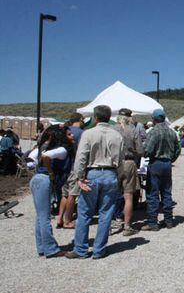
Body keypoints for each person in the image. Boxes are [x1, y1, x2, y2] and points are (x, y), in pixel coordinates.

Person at [66, 105, 124, 259]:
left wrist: (79, 176)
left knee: (84, 213)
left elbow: (81, 157)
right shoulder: (117, 135)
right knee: (106, 213)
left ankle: (81, 249)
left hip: (92, 173)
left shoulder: (88, 133)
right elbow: (120, 159)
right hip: (110, 173)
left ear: (95, 117)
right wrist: (118, 177)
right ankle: (99, 250)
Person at [28, 125, 69, 258]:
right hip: (45, 179)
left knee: (40, 215)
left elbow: (31, 159)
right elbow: (45, 157)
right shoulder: (61, 150)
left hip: (36, 178)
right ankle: (51, 248)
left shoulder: (42, 146)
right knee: (45, 216)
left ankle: (42, 246)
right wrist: (51, 172)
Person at [142, 108, 181, 231]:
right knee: (166, 192)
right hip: (167, 164)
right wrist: (171, 159)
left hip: (155, 163)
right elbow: (177, 149)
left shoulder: (153, 132)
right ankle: (169, 220)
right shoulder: (171, 132)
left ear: (154, 119)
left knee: (153, 193)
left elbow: (147, 150)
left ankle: (153, 222)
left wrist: (145, 155)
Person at [113, 108, 143, 236]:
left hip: (113, 164)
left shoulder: (111, 129)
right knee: (128, 195)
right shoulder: (133, 130)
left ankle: (114, 221)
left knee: (113, 194)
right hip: (129, 162)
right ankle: (127, 226)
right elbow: (140, 150)